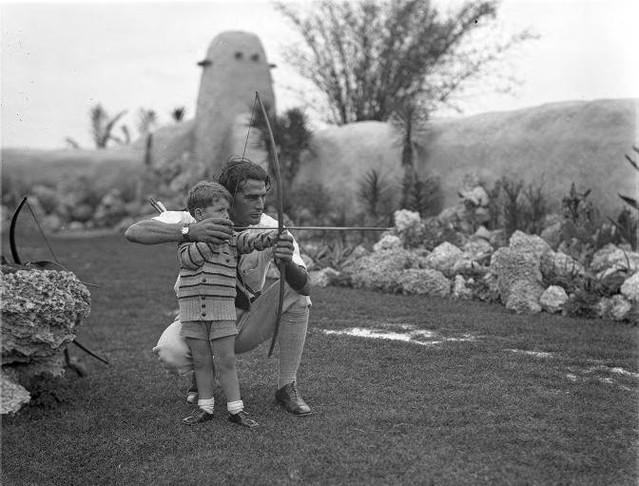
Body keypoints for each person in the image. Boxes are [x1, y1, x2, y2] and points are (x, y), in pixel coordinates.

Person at [124, 156, 313, 418]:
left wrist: (286, 263)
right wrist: (189, 232)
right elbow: (134, 231)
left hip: (242, 320)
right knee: (170, 353)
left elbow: (304, 286)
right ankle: (202, 371)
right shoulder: (195, 216)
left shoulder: (270, 227)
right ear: (229, 197)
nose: (260, 205)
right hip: (197, 316)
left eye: (263, 196)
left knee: (297, 296)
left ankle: (286, 386)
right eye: (251, 197)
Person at [178, 180, 279, 427]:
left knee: (227, 360)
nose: (227, 216)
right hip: (192, 312)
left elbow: (249, 241)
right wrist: (210, 239)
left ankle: (236, 409)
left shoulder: (232, 238)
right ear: (199, 214)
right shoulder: (186, 238)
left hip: (223, 311)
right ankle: (205, 408)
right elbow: (190, 259)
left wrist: (268, 238)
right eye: (221, 210)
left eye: (227, 210)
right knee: (201, 361)